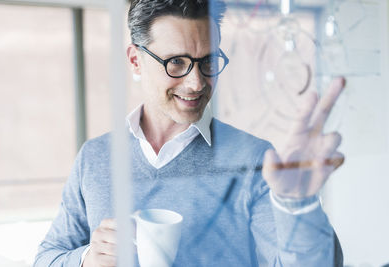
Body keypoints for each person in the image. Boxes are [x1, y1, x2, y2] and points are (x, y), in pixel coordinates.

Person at [34, 0, 346, 266]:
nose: (196, 83)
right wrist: (88, 257)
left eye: (208, 61)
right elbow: (46, 257)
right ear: (135, 60)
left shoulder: (254, 159)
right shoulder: (95, 156)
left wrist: (298, 204)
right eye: (176, 62)